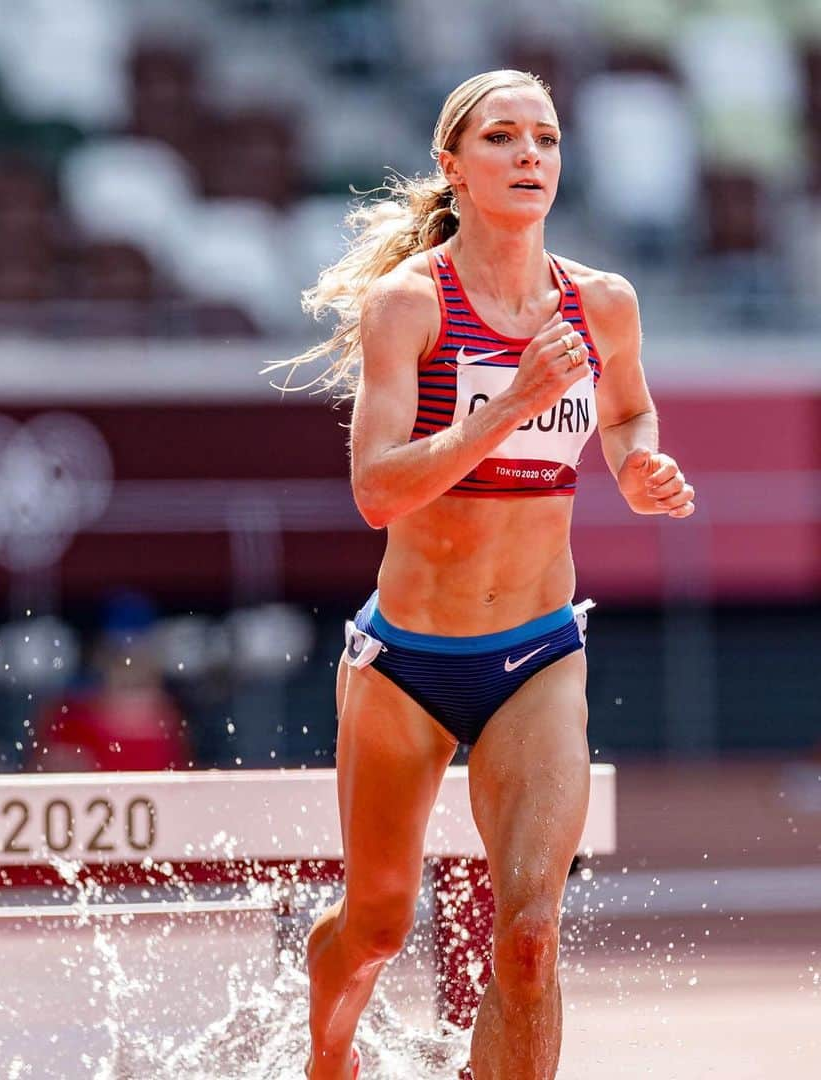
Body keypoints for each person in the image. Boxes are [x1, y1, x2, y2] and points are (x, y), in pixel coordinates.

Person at [270, 70, 696, 1079]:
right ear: (454, 169)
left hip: (539, 653)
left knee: (531, 936)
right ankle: (328, 1063)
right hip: (405, 660)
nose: (529, 157)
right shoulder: (409, 306)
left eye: (545, 139)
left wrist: (639, 461)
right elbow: (377, 491)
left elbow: (628, 409)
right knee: (376, 926)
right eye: (503, 138)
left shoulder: (603, 304)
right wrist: (509, 406)